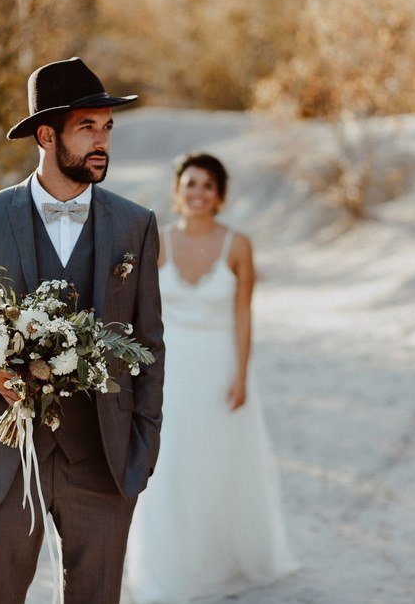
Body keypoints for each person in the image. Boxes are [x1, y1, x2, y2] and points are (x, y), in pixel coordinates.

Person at [0, 57, 165, 604]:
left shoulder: (135, 224)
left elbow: (150, 346)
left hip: (104, 460)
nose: (102, 141)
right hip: (4, 456)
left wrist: (142, 448)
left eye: (106, 128)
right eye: (87, 127)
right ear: (47, 134)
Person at [125, 152, 298, 603]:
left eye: (207, 185)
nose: (198, 193)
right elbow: (143, 313)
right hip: (171, 369)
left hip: (221, 366)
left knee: (220, 464)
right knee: (172, 464)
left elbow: (244, 314)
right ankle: (169, 565)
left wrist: (241, 375)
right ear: (177, 191)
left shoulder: (238, 244)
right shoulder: (157, 240)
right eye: (191, 183)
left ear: (219, 195)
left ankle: (222, 561)